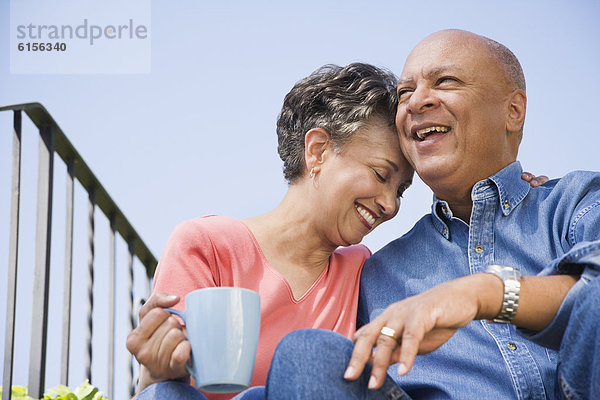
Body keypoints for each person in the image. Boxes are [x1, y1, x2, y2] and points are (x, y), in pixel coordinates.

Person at [265, 30, 600, 399]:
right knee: (309, 355)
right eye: (405, 93)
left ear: (513, 111)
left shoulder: (575, 203)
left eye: (445, 81)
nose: (416, 101)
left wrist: (484, 292)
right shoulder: (376, 276)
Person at [126, 62, 415, 399]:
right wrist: (155, 372)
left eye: (400, 191)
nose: (390, 205)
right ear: (318, 150)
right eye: (381, 175)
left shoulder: (361, 269)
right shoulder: (205, 245)